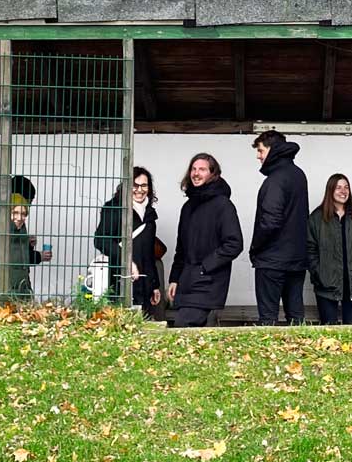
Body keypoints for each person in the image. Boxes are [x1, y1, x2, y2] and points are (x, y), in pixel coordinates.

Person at [167, 153, 244, 327]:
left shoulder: (223, 205)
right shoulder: (188, 207)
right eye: (193, 169)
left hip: (209, 281)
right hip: (187, 281)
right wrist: (174, 279)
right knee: (187, 331)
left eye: (202, 169)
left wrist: (205, 267)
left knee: (183, 326)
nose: (196, 173)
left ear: (213, 174)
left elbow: (234, 244)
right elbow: (181, 249)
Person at [250, 129, 309, 325]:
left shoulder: (275, 180)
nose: (258, 156)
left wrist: (256, 248)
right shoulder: (298, 175)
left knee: (268, 320)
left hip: (271, 261)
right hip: (297, 259)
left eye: (260, 150)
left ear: (272, 149)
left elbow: (270, 222)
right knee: (296, 318)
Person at [93, 166, 165, 319]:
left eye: (144, 185)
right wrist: (127, 260)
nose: (139, 190)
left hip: (144, 285)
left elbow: (149, 254)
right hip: (119, 281)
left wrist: (155, 285)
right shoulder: (114, 208)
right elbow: (101, 240)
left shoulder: (149, 214)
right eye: (135, 185)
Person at [307, 173, 352, 325]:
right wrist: (318, 271)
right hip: (326, 285)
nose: (343, 191)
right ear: (330, 190)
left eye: (346, 187)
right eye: (338, 187)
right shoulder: (317, 217)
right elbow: (309, 248)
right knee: (328, 330)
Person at [0, 192, 48, 303]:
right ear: (5, 213)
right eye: (15, 212)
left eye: (23, 214)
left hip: (16, 303)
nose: (19, 218)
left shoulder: (19, 237)